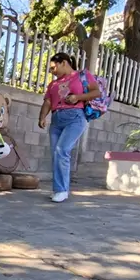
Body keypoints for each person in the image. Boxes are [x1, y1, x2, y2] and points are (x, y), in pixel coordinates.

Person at [38, 52, 101, 203]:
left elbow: (96, 92)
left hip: (75, 117)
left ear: (64, 63)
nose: (51, 71)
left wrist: (77, 97)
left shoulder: (81, 75)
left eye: (53, 67)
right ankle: (58, 189)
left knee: (62, 150)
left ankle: (62, 190)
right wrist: (42, 117)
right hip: (56, 119)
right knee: (56, 154)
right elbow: (47, 102)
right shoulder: (52, 84)